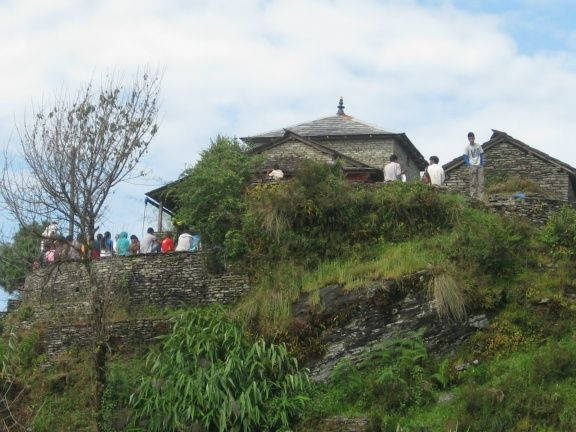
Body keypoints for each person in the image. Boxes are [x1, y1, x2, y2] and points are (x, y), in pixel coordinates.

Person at [464, 132, 484, 199]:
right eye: (470, 138)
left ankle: (480, 198)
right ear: (468, 139)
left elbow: (481, 154)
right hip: (472, 166)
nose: (471, 139)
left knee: (481, 182)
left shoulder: (478, 146)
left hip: (479, 166)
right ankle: (473, 197)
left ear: (474, 138)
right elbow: (465, 157)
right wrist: (469, 164)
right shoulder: (467, 147)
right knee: (473, 182)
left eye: (472, 138)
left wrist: (481, 163)